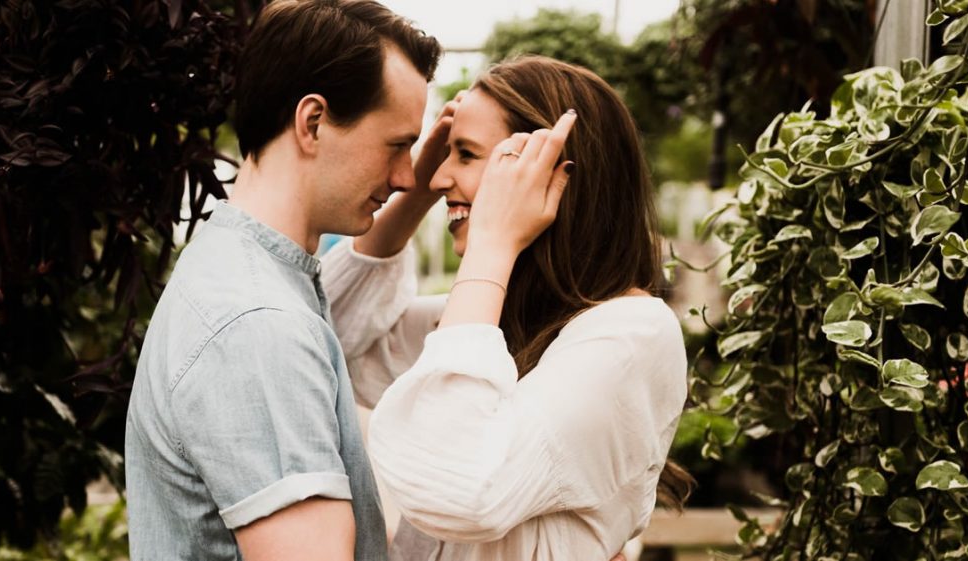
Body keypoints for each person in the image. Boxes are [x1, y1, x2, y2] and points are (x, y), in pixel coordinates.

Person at [321, 55, 693, 561]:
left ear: (552, 176)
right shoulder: (498, 319)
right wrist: (411, 196)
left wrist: (491, 246)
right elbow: (328, 340)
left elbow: (458, 488)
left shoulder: (633, 333)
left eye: (466, 155)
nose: (437, 179)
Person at [123, 1, 442, 559]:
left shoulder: (240, 269)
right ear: (312, 122)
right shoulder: (258, 324)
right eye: (397, 145)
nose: (406, 175)